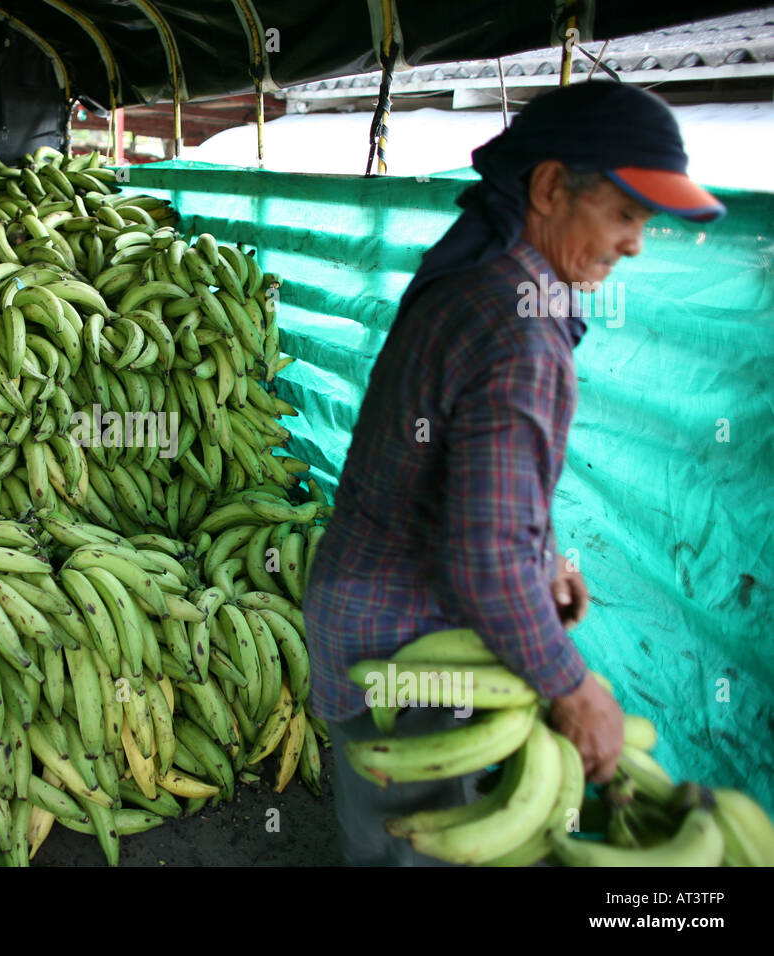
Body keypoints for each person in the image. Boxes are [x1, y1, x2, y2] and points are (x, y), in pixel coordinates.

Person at [302, 81, 726, 866]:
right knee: (416, 849)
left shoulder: (479, 273)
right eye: (626, 213)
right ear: (550, 186)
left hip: (367, 615)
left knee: (399, 833)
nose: (635, 242)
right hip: (405, 647)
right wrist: (575, 688)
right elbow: (483, 554)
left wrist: (542, 561)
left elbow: (472, 480)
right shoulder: (518, 326)